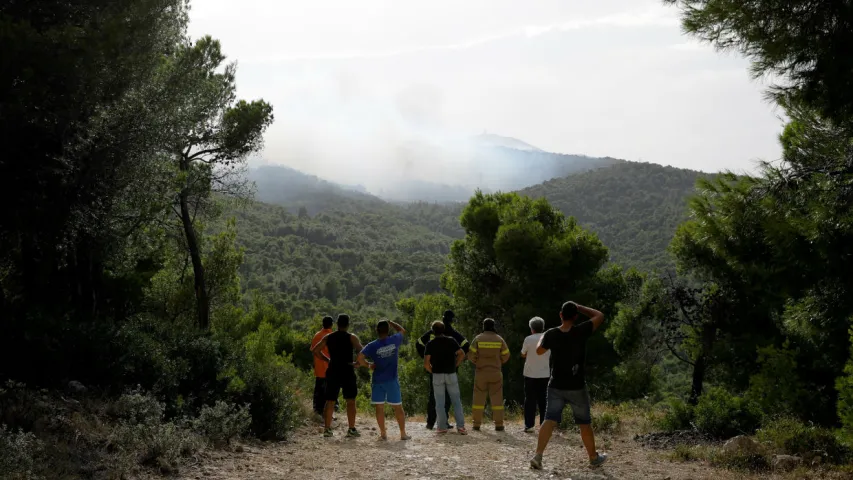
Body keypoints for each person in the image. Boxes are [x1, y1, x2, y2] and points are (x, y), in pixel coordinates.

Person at [529, 301, 608, 470]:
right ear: (576, 316)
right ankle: (593, 458)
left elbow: (539, 350)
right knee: (584, 423)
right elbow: (599, 316)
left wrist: (543, 338)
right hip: (576, 386)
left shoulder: (551, 334)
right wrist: (580, 307)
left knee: (549, 420)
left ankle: (538, 455)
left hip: (556, 385)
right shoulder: (581, 331)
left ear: (560, 315)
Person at [357, 319, 411, 441]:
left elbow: (360, 357)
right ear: (388, 330)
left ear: (377, 331)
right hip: (392, 380)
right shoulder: (394, 340)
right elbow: (402, 330)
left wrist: (368, 365)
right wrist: (391, 322)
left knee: (379, 408)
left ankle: (383, 434)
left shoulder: (372, 345)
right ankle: (402, 434)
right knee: (398, 407)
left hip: (378, 380)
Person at [312, 313, 364, 438]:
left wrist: (327, 359)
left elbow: (315, 351)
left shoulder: (329, 337)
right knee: (350, 400)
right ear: (348, 324)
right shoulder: (352, 337)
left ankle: (327, 430)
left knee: (330, 401)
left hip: (333, 370)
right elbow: (362, 351)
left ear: (337, 324)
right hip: (347, 370)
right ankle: (351, 429)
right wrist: (358, 363)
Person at [416, 309, 469, 429]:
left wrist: (426, 360)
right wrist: (457, 363)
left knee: (434, 397)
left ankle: (430, 423)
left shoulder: (432, 333)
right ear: (452, 320)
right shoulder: (453, 334)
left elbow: (418, 343)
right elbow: (466, 345)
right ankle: (446, 422)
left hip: (435, 370)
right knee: (451, 398)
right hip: (451, 370)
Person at [468, 318, 510, 431]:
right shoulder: (499, 339)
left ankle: (476, 424)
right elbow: (506, 355)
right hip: (495, 372)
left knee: (478, 399)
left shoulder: (478, 338)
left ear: (484, 326)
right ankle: (499, 424)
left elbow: (471, 355)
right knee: (497, 400)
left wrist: (478, 361)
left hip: (481, 372)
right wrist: (498, 362)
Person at [521, 316, 550, 433]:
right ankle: (544, 424)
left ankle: (529, 425)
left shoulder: (528, 339)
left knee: (530, 400)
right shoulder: (547, 338)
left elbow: (523, 354)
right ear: (542, 327)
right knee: (544, 400)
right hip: (545, 373)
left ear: (531, 328)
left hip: (530, 374)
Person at [310, 316, 335, 416]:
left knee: (318, 390)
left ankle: (316, 411)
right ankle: (324, 414)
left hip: (319, 367)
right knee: (326, 392)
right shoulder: (330, 336)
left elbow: (313, 351)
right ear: (331, 324)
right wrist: (328, 360)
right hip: (327, 368)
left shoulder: (317, 334)